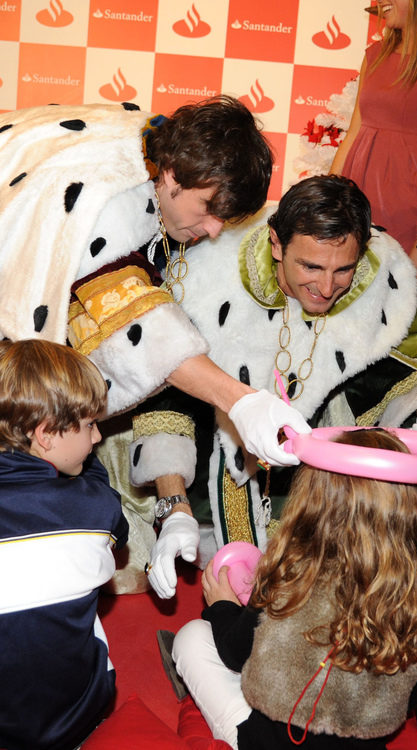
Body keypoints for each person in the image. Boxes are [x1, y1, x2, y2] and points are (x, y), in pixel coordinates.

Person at [0, 96, 310, 594]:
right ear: (171, 172)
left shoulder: (151, 147)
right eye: (209, 210)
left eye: (223, 222)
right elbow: (136, 325)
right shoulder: (111, 204)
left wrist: (175, 505)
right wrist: (242, 399)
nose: (210, 231)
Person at [140, 175, 417, 598]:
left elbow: (409, 364)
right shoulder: (211, 277)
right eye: (310, 266)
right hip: (212, 496)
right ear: (276, 244)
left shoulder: (380, 283)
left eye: (343, 269)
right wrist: (174, 507)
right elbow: (167, 396)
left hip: (330, 512)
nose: (327, 288)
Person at [172, 428, 417, 749]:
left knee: (193, 637)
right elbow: (411, 698)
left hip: (270, 742)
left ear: (313, 503)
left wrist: (221, 605)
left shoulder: (291, 575)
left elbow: (234, 654)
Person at [0, 339, 129, 750]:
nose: (96, 439)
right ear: (46, 435)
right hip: (75, 718)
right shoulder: (92, 508)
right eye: (90, 425)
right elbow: (118, 529)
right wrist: (88, 472)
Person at [329, 0, 417, 300]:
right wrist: (327, 200)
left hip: (409, 210)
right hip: (355, 203)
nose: (380, 2)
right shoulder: (374, 55)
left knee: (392, 314)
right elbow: (354, 133)